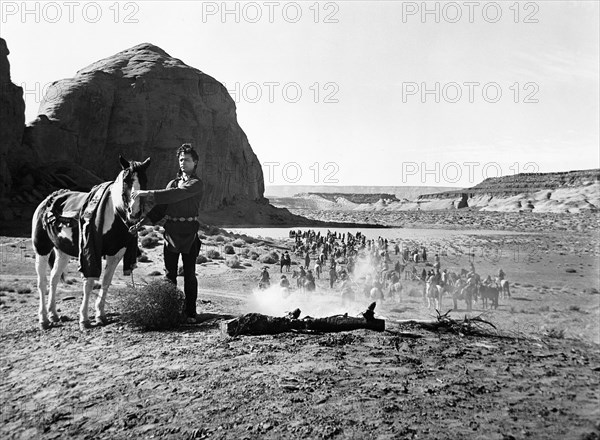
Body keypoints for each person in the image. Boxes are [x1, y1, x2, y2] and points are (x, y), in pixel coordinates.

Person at [131, 144, 203, 323]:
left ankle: (191, 313)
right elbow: (160, 209)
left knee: (189, 274)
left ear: (195, 162)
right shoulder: (172, 183)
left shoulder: (196, 184)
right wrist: (140, 224)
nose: (183, 163)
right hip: (171, 233)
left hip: (189, 235)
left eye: (186, 160)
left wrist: (145, 193)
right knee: (170, 275)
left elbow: (175, 195)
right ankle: (169, 310)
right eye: (180, 160)